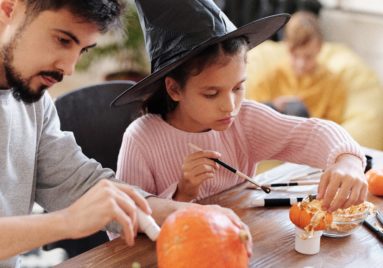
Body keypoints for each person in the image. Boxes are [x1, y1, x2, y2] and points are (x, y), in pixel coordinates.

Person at [0, 0, 252, 265]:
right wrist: (67, 222)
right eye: (63, 40)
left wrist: (193, 215)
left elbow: (80, 184)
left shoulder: (36, 103)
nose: (69, 68)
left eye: (82, 50)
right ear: (9, 7)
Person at [113, 0, 367, 216]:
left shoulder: (246, 120)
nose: (230, 107)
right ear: (174, 89)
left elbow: (312, 133)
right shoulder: (141, 140)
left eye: (237, 88)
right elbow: (124, 225)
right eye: (211, 94)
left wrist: (348, 162)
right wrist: (182, 193)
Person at [246, 11, 346, 123]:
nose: (301, 64)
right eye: (295, 55)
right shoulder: (269, 78)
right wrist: (274, 106)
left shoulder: (333, 83)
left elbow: (335, 128)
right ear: (285, 45)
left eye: (308, 57)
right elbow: (252, 118)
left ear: (320, 48)